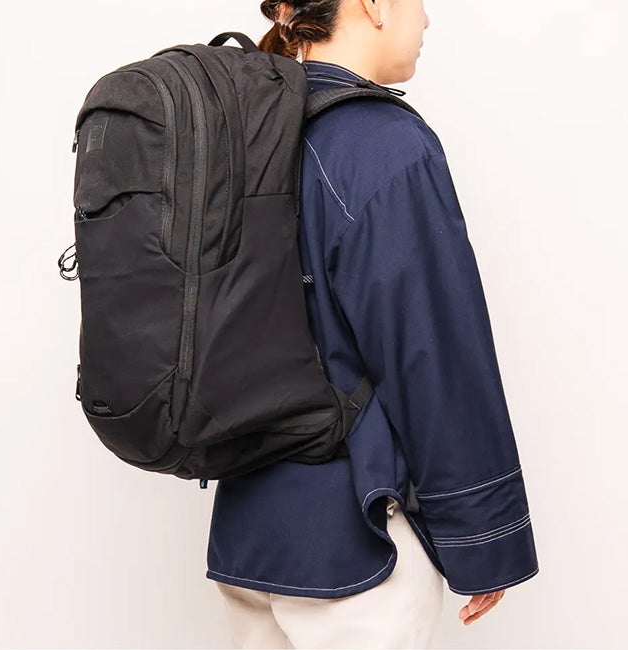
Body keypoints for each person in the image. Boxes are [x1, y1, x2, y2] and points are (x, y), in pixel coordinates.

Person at [206, 1, 540, 647]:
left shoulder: (239, 131)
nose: (427, 19)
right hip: (359, 546)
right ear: (373, 4)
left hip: (248, 539)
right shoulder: (379, 142)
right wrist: (484, 538)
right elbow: (433, 353)